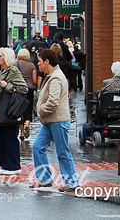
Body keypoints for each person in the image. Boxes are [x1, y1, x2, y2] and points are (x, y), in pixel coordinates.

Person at [31, 48, 79, 191]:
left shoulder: (56, 77)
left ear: (47, 61)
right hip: (50, 120)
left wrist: (40, 110)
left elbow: (53, 101)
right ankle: (45, 179)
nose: (38, 65)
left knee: (63, 151)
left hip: (57, 120)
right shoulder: (52, 75)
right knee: (37, 147)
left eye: (39, 61)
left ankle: (72, 182)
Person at [0, 48, 29, 175]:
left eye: (1, 56)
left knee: (10, 138)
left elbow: (23, 89)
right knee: (1, 139)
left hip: (10, 112)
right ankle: (4, 165)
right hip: (2, 112)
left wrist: (6, 85)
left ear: (6, 58)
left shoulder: (13, 71)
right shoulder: (3, 71)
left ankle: (13, 166)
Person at [16, 48, 37, 140]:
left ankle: (21, 133)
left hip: (18, 89)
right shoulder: (32, 65)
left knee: (20, 110)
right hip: (29, 89)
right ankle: (27, 123)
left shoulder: (15, 65)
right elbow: (35, 80)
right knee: (28, 108)